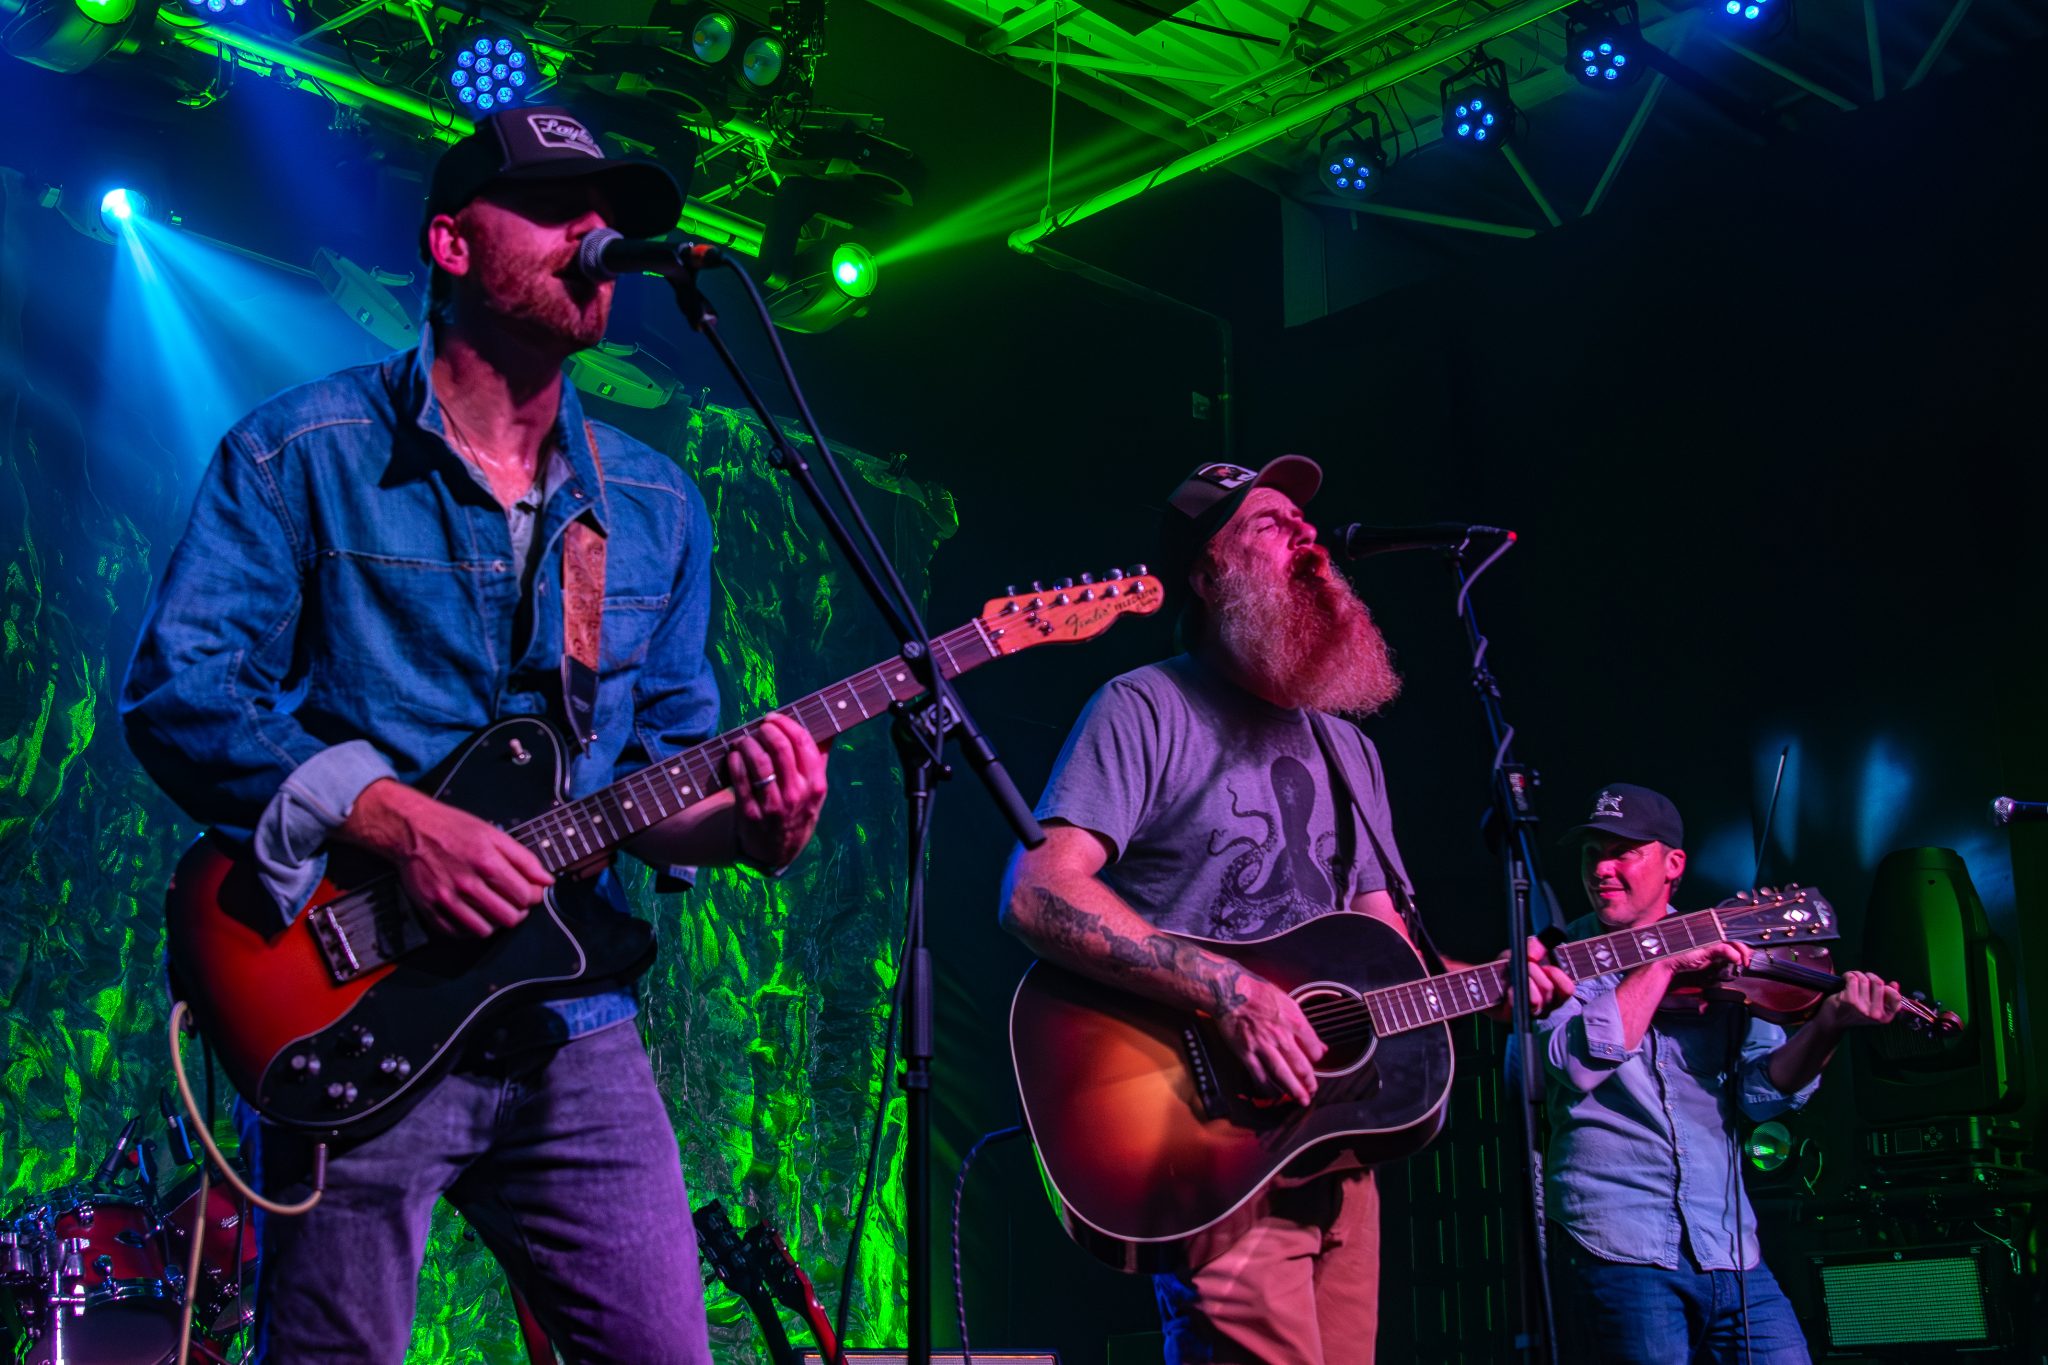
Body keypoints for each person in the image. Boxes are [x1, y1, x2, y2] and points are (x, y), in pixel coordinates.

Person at [120, 106, 828, 1363]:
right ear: (450, 243)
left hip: (575, 1026)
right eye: (558, 210)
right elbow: (183, 692)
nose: (595, 235)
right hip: (353, 994)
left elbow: (661, 775)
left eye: (607, 215)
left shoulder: (654, 505)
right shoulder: (303, 451)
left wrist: (758, 823)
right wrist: (397, 823)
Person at [1000, 457, 1571, 1365]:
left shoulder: (1347, 745)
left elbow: (1388, 956)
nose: (1308, 535)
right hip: (1210, 1135)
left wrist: (1487, 984)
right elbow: (1038, 889)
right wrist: (1230, 990)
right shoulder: (1146, 706)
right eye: (1269, 523)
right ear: (1208, 569)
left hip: (1338, 1143)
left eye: (1306, 521)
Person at [1537, 783, 1903, 1364]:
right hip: (1618, 1240)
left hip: (1726, 1245)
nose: (1602, 868)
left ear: (1672, 864)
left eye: (1623, 851)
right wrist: (1659, 963)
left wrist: (1827, 1027)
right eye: (1591, 854)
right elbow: (1576, 1064)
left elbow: (1760, 1094)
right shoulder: (1557, 958)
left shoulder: (1725, 947)